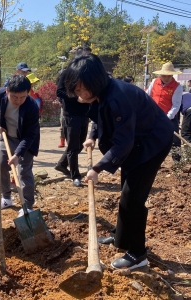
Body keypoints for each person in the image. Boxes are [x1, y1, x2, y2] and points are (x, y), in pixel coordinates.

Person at [64, 54, 172, 270]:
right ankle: (120, 238)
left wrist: (98, 168)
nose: (79, 95)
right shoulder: (102, 92)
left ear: (95, 82)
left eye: (81, 90)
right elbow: (99, 117)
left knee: (132, 199)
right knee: (126, 190)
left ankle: (138, 254)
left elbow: (123, 143)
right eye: (76, 91)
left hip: (152, 143)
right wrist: (92, 136)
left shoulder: (118, 97)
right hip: (135, 142)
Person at [0, 75, 40, 217]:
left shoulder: (31, 107)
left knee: (24, 172)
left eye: (22, 97)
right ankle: (6, 198)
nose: (18, 101)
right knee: (0, 166)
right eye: (14, 97)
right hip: (7, 136)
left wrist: (17, 154)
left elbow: (30, 135)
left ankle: (28, 205)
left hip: (25, 141)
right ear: (7, 91)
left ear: (28, 93)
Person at [54, 46, 91, 187]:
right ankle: (75, 176)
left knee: (79, 144)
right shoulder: (68, 73)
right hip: (71, 114)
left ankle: (61, 164)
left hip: (84, 113)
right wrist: (77, 97)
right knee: (73, 146)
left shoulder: (87, 74)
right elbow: (60, 92)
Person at [146, 62, 182, 162]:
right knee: (152, 137)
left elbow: (176, 105)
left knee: (174, 139)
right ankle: (152, 160)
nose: (165, 78)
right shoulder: (154, 82)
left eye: (168, 76)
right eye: (163, 76)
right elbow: (147, 96)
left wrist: (167, 117)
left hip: (169, 116)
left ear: (172, 75)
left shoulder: (177, 87)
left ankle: (176, 162)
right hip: (153, 116)